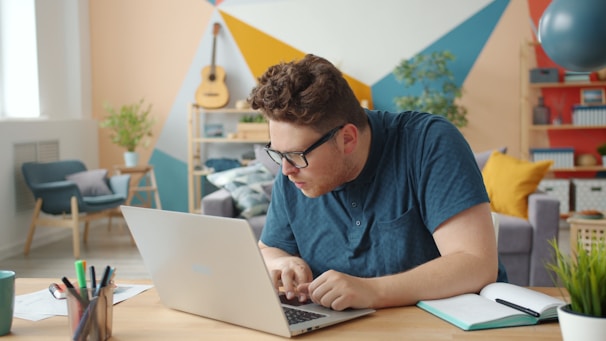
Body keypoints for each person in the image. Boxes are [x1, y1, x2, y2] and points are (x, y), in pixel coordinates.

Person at [248, 54, 506, 312]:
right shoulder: (294, 171)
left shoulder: (429, 142)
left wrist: (372, 291)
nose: (286, 170)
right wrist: (281, 263)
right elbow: (269, 248)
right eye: (278, 153)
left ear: (347, 139)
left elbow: (476, 264)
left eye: (296, 155)